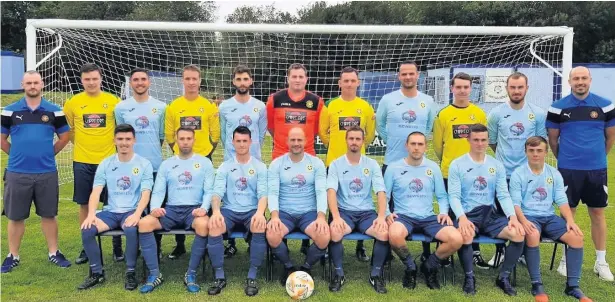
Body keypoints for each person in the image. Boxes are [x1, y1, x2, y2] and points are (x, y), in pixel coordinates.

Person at [547, 66, 615, 281]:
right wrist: (566, 160)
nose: (580, 82)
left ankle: (601, 262)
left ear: (590, 80)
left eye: (584, 78)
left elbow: (610, 138)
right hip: (568, 170)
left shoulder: (605, 105)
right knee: (568, 213)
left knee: (597, 213)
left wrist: (596, 158)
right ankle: (566, 260)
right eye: (576, 78)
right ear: (569, 81)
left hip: (596, 170)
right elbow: (553, 140)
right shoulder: (558, 108)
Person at [1, 70, 71, 273]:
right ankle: (12, 255)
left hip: (46, 172)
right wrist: (17, 156)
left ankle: (54, 252)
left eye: (36, 82)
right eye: (29, 82)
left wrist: (48, 155)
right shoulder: (10, 111)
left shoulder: (54, 111)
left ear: (42, 85)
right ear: (23, 85)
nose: (32, 86)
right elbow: (1, 139)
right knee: (15, 217)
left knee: (49, 215)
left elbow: (64, 137)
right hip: (17, 172)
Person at [511, 136, 592, 302]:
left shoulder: (554, 173)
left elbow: (561, 200)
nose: (535, 154)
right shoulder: (518, 174)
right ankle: (537, 284)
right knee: (532, 234)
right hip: (528, 216)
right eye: (531, 150)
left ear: (546, 152)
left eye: (539, 150)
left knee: (576, 237)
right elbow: (515, 204)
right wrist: (523, 221)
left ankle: (573, 286)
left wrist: (570, 220)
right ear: (526, 152)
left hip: (549, 217)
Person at [448, 124, 525, 296]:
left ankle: (503, 277)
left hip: (490, 214)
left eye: (483, 140)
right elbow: (453, 196)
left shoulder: (496, 165)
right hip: (468, 214)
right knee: (465, 234)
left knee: (518, 234)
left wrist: (512, 216)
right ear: (468, 140)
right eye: (476, 140)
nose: (480, 144)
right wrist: (461, 218)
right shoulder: (457, 164)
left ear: (488, 141)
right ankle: (469, 277)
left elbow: (503, 194)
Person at [137, 127, 215, 294]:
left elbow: (210, 190)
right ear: (176, 141)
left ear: (194, 140)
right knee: (144, 224)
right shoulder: (167, 164)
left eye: (188, 138)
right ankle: (155, 274)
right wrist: (155, 208)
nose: (185, 142)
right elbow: (158, 191)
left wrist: (203, 208)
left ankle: (191, 274)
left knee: (203, 225)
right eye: (182, 139)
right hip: (171, 210)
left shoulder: (205, 163)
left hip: (194, 210)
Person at [77, 124, 153, 290]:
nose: (124, 143)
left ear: (134, 140)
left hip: (131, 211)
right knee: (87, 228)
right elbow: (96, 192)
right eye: (120, 139)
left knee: (132, 228)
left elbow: (145, 193)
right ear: (114, 141)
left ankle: (131, 272)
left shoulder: (144, 164)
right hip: (110, 212)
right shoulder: (106, 163)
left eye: (127, 139)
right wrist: (91, 215)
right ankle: (97, 273)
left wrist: (138, 213)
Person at [375, 60, 438, 262]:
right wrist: (395, 143)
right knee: (389, 211)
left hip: (419, 164)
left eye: (412, 73)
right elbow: (381, 126)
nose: (408, 77)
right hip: (392, 161)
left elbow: (427, 128)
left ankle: (426, 253)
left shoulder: (428, 101)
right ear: (398, 76)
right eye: (404, 74)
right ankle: (388, 252)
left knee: (421, 204)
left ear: (418, 75)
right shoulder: (387, 99)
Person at [385, 131, 462, 290]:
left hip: (428, 217)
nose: (416, 148)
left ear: (426, 147)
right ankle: (410, 267)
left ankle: (430, 265)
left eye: (420, 144)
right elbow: (383, 196)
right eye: (413, 144)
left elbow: (441, 195)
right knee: (393, 234)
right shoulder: (393, 168)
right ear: (406, 146)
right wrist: (387, 213)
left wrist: (443, 212)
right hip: (403, 217)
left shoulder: (433, 167)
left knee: (456, 238)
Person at [63, 63, 123, 265]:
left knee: (113, 203)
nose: (91, 82)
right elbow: (69, 130)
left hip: (109, 163)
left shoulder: (113, 101)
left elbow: (119, 129)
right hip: (82, 161)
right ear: (81, 80)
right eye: (87, 79)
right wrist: (82, 146)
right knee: (84, 204)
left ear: (101, 79)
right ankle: (87, 245)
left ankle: (117, 246)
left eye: (94, 79)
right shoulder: (73, 102)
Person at [486, 72, 547, 267]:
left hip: (527, 176)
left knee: (525, 214)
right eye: (513, 87)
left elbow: (539, 144)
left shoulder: (537, 113)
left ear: (526, 88)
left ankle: (521, 252)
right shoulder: (496, 113)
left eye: (520, 87)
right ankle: (500, 252)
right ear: (507, 88)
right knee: (503, 216)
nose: (516, 91)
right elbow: (493, 142)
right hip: (503, 176)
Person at [266, 63, 325, 254]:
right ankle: (280, 234)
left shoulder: (316, 101)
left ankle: (307, 241)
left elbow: (316, 129)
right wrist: (285, 143)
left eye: (301, 77)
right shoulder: (275, 99)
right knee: (282, 194)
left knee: (308, 194)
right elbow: (270, 127)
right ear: (288, 78)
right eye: (294, 76)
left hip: (307, 155)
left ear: (306, 79)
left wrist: (300, 142)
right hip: (281, 154)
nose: (297, 80)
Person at [319, 67, 376, 262]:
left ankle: (361, 247)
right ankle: (330, 245)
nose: (349, 84)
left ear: (358, 83)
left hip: (359, 164)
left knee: (361, 198)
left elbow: (369, 134)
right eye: (346, 81)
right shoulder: (330, 105)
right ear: (339, 83)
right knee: (332, 202)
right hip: (334, 162)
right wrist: (336, 148)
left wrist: (356, 149)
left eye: (353, 80)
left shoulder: (366, 106)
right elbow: (323, 132)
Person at [433, 72, 489, 269]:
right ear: (452, 89)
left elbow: (482, 142)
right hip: (449, 172)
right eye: (458, 87)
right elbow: (438, 146)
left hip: (474, 175)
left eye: (466, 87)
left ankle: (474, 252)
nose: (462, 90)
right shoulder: (443, 114)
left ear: (471, 89)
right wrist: (448, 163)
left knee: (472, 212)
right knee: (448, 212)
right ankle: (446, 252)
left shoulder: (479, 114)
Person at [164, 64, 220, 259]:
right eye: (187, 78)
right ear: (183, 80)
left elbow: (215, 134)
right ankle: (179, 244)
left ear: (200, 81)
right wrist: (178, 151)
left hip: (204, 157)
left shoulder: (208, 106)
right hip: (180, 158)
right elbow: (170, 135)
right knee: (179, 196)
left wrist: (206, 152)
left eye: (194, 79)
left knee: (206, 197)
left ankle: (205, 242)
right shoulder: (174, 106)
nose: (191, 82)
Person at [207, 126, 268, 296]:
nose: (241, 144)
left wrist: (259, 213)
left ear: (250, 142)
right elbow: (217, 192)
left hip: (251, 211)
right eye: (238, 141)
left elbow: (263, 194)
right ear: (232, 142)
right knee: (214, 226)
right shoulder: (225, 167)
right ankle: (219, 276)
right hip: (229, 210)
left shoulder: (260, 167)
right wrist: (216, 212)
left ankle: (252, 276)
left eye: (244, 141)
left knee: (259, 225)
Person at [327, 126, 388, 293]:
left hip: (366, 213)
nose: (354, 142)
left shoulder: (372, 164)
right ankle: (339, 274)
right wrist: (336, 217)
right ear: (346, 140)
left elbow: (380, 192)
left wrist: (381, 216)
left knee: (383, 232)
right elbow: (331, 192)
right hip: (344, 212)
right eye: (351, 138)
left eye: (357, 139)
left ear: (363, 141)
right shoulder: (336, 164)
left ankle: (375, 275)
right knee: (334, 232)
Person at [114, 68, 168, 258]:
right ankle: (121, 248)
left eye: (143, 79)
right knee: (126, 204)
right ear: (131, 83)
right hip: (127, 167)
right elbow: (120, 136)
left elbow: (160, 136)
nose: (139, 83)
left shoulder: (161, 107)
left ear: (149, 82)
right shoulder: (121, 108)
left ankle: (155, 248)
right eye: (135, 80)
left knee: (153, 208)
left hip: (153, 166)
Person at [266, 127, 330, 286]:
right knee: (272, 234)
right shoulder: (276, 164)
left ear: (306, 141)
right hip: (284, 213)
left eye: (299, 140)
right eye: (293, 140)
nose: (296, 143)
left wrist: (321, 217)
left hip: (309, 213)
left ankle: (305, 268)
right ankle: (289, 267)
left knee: (324, 236)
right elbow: (272, 192)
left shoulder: (316, 163)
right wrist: (274, 216)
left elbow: (321, 191)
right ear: (287, 142)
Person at [218, 65, 266, 258]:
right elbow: (223, 134)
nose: (242, 83)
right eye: (238, 79)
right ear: (233, 82)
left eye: (245, 79)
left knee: (252, 196)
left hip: (253, 161)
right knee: (230, 200)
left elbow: (261, 134)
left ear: (251, 81)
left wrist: (251, 151)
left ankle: (252, 235)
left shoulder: (259, 106)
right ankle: (230, 243)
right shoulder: (225, 106)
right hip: (232, 160)